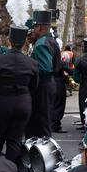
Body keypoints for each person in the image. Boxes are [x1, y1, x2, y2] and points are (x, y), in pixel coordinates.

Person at [0, 22, 39, 163]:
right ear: (24, 43)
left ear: (9, 41)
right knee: (15, 140)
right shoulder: (32, 63)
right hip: (23, 103)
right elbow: (34, 86)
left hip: (1, 103)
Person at [26, 10, 59, 138]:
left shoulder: (41, 44)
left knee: (42, 123)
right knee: (43, 121)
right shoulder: (50, 41)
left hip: (42, 87)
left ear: (39, 27)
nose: (32, 30)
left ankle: (46, 154)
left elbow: (44, 68)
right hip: (49, 85)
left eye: (34, 27)